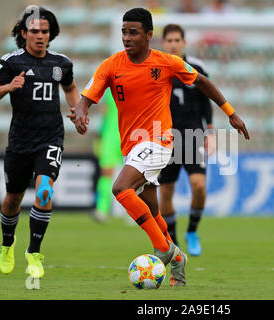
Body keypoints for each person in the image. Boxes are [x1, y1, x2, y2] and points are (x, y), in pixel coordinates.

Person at [73, 8, 249, 287]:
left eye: (133, 32)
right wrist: (81, 112)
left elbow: (202, 81)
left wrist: (230, 112)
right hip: (132, 147)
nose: (126, 38)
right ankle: (177, 259)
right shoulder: (111, 65)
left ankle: (163, 248)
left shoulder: (166, 63)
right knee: (153, 211)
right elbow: (86, 97)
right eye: (124, 32)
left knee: (120, 189)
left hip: (159, 141)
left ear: (148, 35)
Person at [0, 6, 79, 279]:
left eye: (45, 32)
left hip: (50, 138)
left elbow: (70, 88)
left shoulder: (61, 64)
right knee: (14, 198)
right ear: (24, 33)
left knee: (45, 191)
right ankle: (7, 244)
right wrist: (8, 87)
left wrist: (77, 111)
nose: (40, 36)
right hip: (20, 142)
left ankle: (34, 252)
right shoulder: (10, 62)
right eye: (34, 31)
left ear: (51, 34)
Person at [158, 24, 215, 256]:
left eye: (176, 40)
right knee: (167, 191)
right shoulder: (157, 69)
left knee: (199, 187)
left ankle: (192, 231)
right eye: (169, 40)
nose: (173, 44)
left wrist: (210, 131)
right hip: (165, 138)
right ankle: (172, 239)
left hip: (193, 136)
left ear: (184, 42)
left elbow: (206, 101)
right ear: (163, 44)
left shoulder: (197, 68)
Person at [93, 91, 123, 223]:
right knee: (106, 173)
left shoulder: (136, 81)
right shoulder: (110, 89)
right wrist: (100, 133)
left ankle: (134, 212)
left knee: (135, 174)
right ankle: (102, 210)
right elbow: (104, 111)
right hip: (110, 134)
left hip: (130, 133)